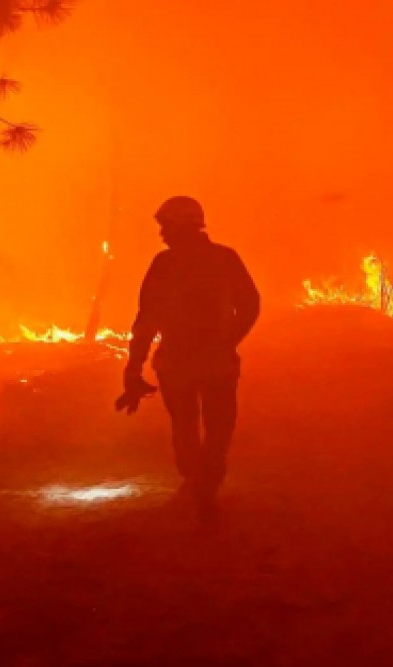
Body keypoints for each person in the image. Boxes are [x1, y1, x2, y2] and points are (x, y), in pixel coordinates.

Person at [116, 196, 260, 522]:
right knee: (219, 428)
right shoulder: (224, 259)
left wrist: (134, 367)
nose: (162, 234)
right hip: (215, 363)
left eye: (166, 227)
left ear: (183, 226)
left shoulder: (165, 265)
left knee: (186, 427)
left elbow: (146, 320)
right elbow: (250, 305)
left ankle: (198, 484)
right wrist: (229, 340)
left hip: (178, 364)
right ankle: (205, 485)